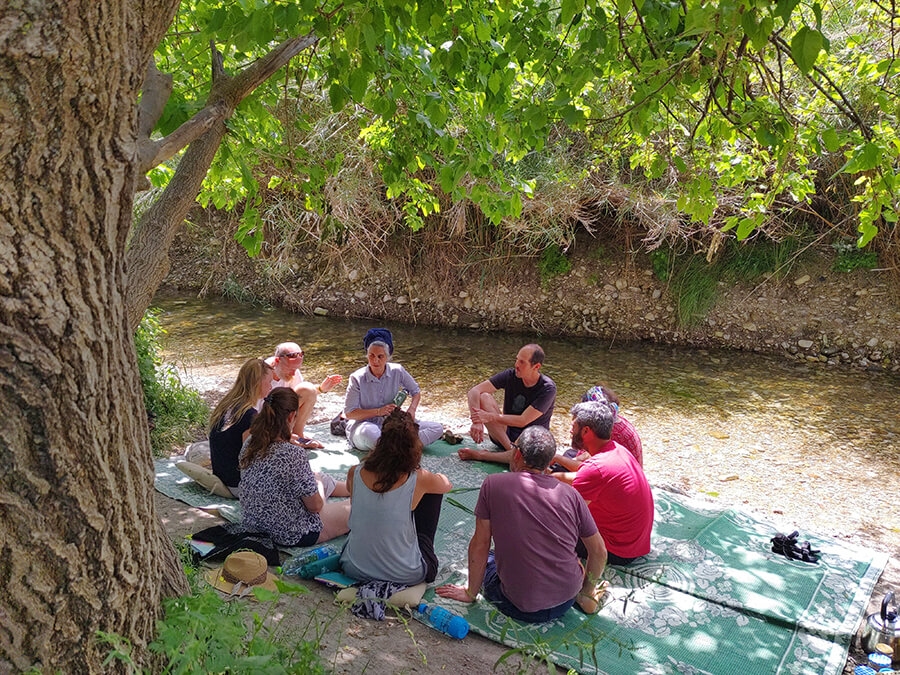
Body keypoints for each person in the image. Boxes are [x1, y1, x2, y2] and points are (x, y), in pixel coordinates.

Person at [436, 426, 607, 622]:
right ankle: (584, 597)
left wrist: (470, 593)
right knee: (571, 560)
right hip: (566, 600)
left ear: (517, 454)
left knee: (492, 557)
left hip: (517, 604)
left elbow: (480, 544)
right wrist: (586, 591)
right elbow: (599, 551)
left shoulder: (493, 484)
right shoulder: (571, 494)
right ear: (549, 462)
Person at [340, 409, 452, 584]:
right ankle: (421, 549)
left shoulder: (355, 472)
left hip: (353, 566)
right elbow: (446, 484)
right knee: (433, 494)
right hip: (406, 573)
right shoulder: (420, 478)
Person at [239, 388, 351, 546]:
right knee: (355, 508)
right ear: (291, 416)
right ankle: (364, 492)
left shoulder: (250, 442)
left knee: (317, 477)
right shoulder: (293, 454)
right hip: (292, 532)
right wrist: (316, 484)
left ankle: (352, 487)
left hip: (254, 522)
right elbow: (316, 507)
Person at [552, 401, 654, 565]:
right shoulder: (617, 450)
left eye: (574, 426)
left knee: (545, 524)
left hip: (617, 550)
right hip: (636, 543)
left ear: (586, 431)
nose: (570, 431)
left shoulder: (596, 468)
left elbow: (569, 516)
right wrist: (556, 476)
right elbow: (586, 475)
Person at [175, 358, 274, 498]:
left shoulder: (227, 405)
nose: (271, 386)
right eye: (269, 381)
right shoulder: (250, 416)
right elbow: (250, 458)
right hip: (237, 484)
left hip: (222, 474)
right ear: (258, 382)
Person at [343, 328, 444, 452]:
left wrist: (411, 410)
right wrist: (379, 411)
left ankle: (393, 450)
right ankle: (404, 448)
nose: (375, 361)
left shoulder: (398, 370)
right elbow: (349, 413)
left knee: (437, 428)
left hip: (393, 426)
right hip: (364, 426)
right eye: (371, 356)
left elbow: (415, 391)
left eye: (380, 356)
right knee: (370, 433)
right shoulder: (357, 378)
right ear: (367, 355)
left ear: (388, 357)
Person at [457, 343, 556, 464]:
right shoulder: (511, 375)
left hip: (530, 441)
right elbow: (474, 391)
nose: (516, 365)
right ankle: (512, 453)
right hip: (504, 436)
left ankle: (484, 456)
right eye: (517, 360)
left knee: (532, 452)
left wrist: (489, 417)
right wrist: (477, 421)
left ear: (536, 366)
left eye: (522, 362)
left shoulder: (547, 388)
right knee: (484, 397)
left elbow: (523, 420)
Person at [268, 341, 343, 445]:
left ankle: (298, 435)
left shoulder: (291, 370)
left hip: (280, 415)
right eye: (291, 369)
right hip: (264, 420)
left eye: (297, 368)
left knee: (308, 388)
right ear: (277, 360)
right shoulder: (262, 373)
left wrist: (321, 388)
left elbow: (301, 393)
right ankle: (282, 437)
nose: (294, 373)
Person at [552, 385, 643, 469]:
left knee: (559, 468)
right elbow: (589, 455)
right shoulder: (614, 419)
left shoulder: (609, 433)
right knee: (569, 454)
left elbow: (588, 468)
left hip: (608, 474)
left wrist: (558, 461)